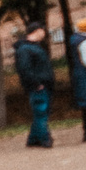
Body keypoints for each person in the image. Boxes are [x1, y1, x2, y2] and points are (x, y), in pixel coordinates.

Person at [14, 21, 56, 149]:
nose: (44, 33)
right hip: (38, 85)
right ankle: (44, 138)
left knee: (42, 111)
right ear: (37, 31)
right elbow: (24, 69)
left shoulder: (34, 47)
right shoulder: (25, 49)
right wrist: (35, 83)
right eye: (42, 30)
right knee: (41, 111)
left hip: (44, 84)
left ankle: (33, 138)